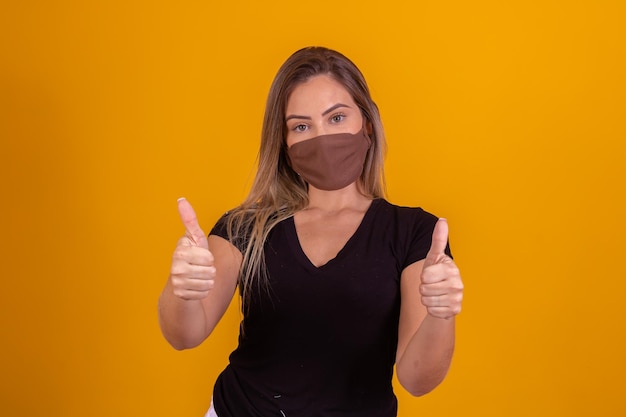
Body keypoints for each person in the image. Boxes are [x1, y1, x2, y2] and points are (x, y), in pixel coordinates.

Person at [158, 46, 464, 417]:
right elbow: (183, 335)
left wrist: (441, 314)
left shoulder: (416, 233)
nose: (321, 137)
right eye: (301, 126)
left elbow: (417, 380)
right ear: (285, 144)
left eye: (336, 118)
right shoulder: (246, 228)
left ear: (366, 123)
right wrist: (183, 290)